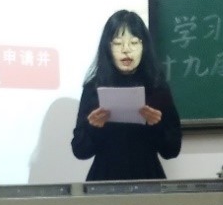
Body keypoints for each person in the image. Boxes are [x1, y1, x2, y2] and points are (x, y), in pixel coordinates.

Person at [71, 10, 182, 181]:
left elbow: (172, 150)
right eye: (117, 43)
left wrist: (157, 125)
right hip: (104, 181)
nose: (126, 50)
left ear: (144, 46)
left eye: (134, 42)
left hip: (148, 180)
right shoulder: (94, 88)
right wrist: (93, 127)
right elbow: (80, 151)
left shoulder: (156, 87)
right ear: (107, 47)